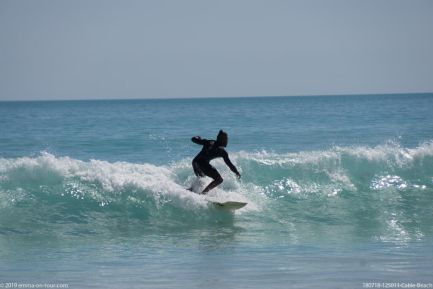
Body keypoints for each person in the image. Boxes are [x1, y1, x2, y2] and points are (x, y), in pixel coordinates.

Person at [191, 130, 241, 194]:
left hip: (195, 163)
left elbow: (230, 165)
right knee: (219, 179)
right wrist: (237, 172)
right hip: (201, 164)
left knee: (202, 179)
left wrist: (197, 137)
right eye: (225, 138)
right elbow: (230, 165)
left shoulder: (212, 144)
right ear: (220, 139)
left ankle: (192, 190)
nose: (227, 141)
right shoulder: (219, 149)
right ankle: (203, 194)